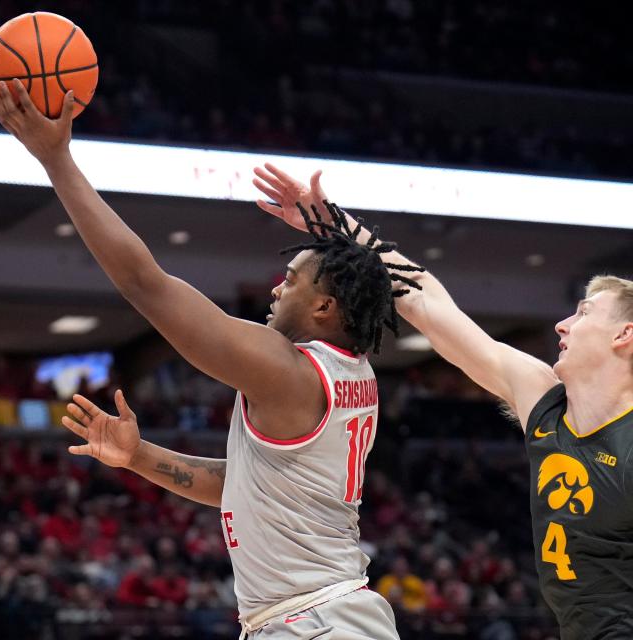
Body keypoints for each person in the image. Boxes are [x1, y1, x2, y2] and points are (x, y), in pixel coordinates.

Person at [0, 80, 424, 639]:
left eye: (290, 280)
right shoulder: (349, 372)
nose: (276, 288)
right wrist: (140, 455)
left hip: (316, 621)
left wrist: (57, 160)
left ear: (323, 305)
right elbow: (237, 487)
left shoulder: (289, 371)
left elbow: (146, 285)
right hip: (320, 616)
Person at [252, 163, 633, 639]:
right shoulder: (544, 399)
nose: (562, 325)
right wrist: (333, 223)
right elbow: (423, 298)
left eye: (583, 313)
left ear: (625, 334)